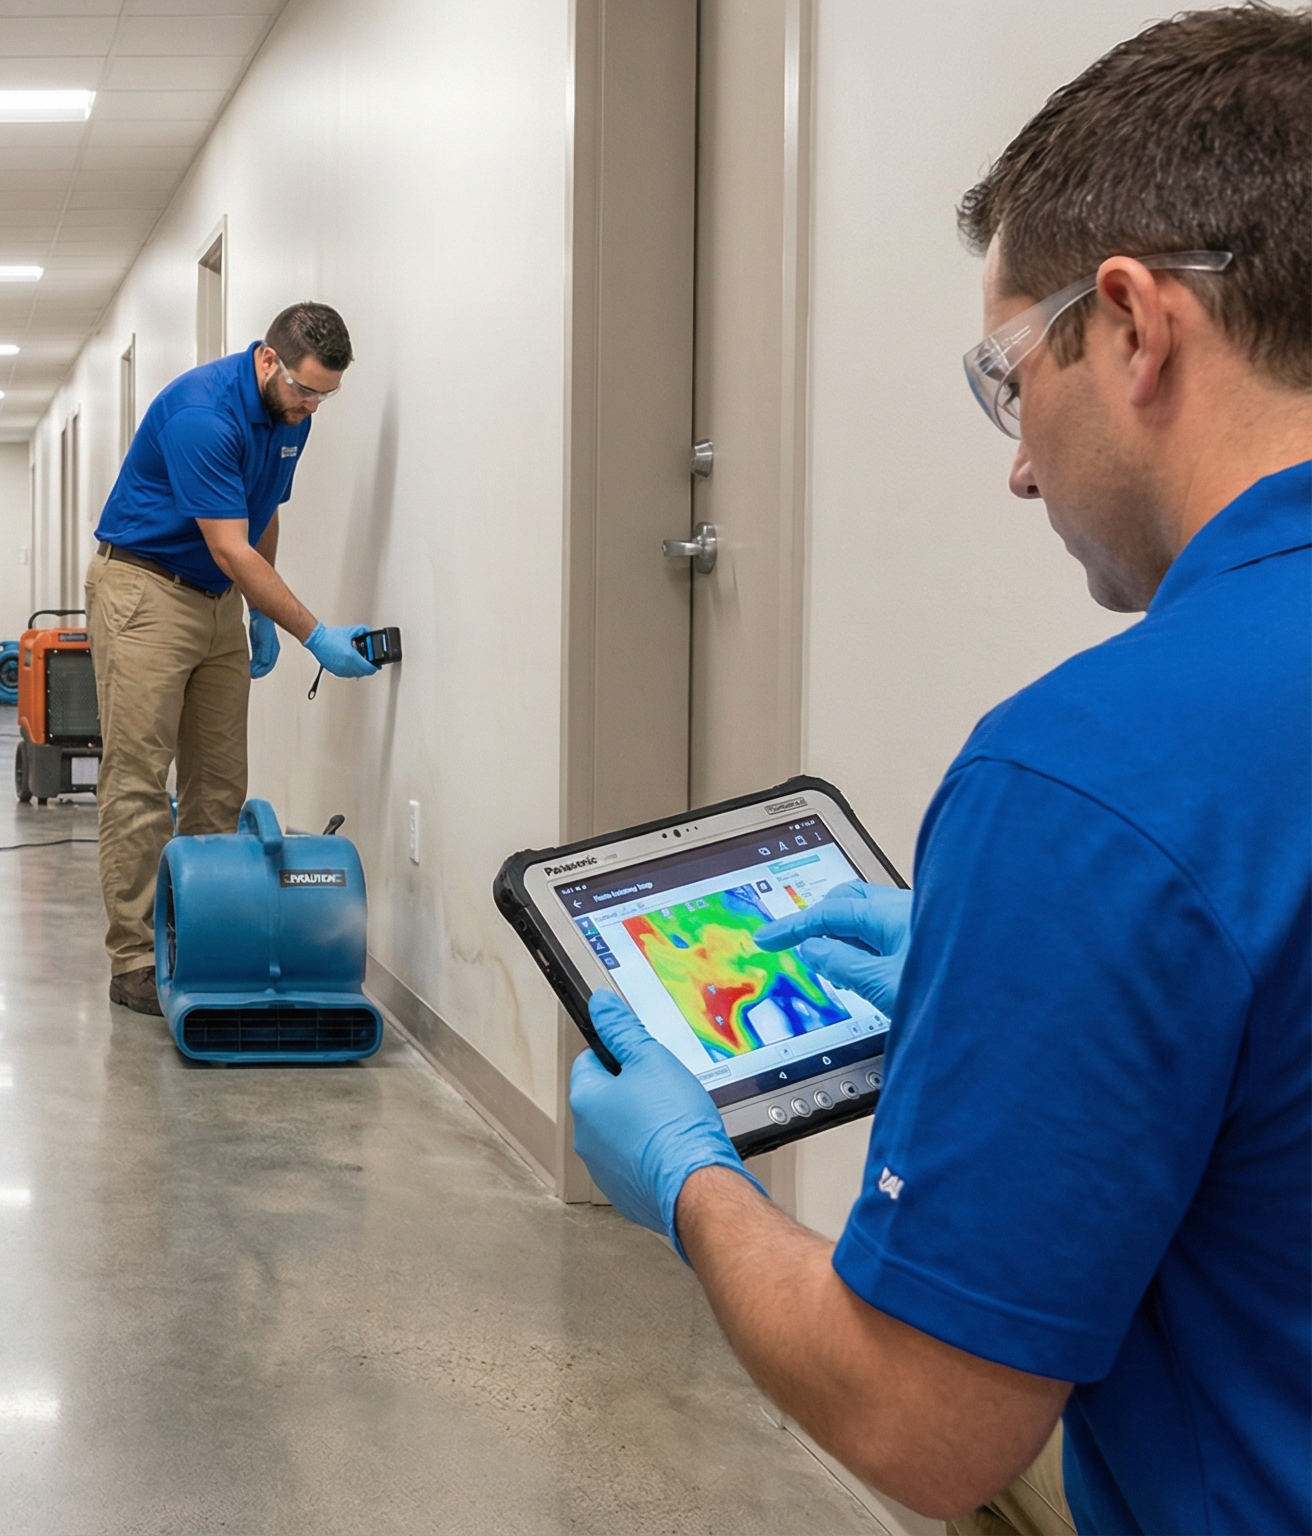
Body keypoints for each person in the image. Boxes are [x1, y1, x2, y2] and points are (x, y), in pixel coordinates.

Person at [565, 10, 1311, 1533]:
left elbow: (921, 1422)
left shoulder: (1087, 779)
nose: (1021, 463)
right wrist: (1028, 1006)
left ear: (1132, 323)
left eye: (1009, 377)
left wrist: (693, 1179)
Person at [86, 303, 383, 1015]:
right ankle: (134, 959)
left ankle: (201, 933)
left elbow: (263, 509)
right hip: (145, 587)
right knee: (137, 776)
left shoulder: (292, 418)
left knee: (219, 781)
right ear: (267, 360)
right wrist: (312, 633)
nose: (312, 406)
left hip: (218, 595)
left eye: (325, 396)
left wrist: (256, 613)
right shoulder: (202, 414)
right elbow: (228, 543)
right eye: (305, 390)